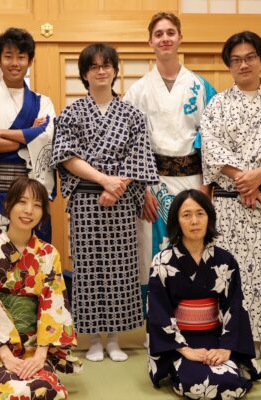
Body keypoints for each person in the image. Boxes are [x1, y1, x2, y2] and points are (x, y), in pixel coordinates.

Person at [51, 43, 158, 362]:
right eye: (94, 66)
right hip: (86, 198)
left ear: (114, 69)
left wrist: (117, 185)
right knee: (88, 267)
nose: (101, 70)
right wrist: (103, 180)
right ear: (84, 74)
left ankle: (114, 338)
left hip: (122, 200)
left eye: (107, 64)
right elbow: (66, 157)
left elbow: (139, 157)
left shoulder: (133, 115)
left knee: (121, 266)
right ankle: (94, 338)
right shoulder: (70, 113)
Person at [201, 31, 261, 361]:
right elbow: (212, 149)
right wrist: (243, 180)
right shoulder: (218, 105)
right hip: (231, 201)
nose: (244, 64)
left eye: (250, 57)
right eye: (237, 59)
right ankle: (244, 338)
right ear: (229, 65)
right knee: (235, 269)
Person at [124, 12, 216, 311]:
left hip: (192, 180)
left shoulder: (201, 87)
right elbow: (129, 146)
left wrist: (207, 185)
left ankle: (196, 316)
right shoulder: (137, 91)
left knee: (194, 242)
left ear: (180, 38)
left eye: (170, 32)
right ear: (150, 41)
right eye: (159, 33)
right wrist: (142, 189)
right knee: (154, 249)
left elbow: (211, 141)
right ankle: (158, 321)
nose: (165, 38)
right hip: (153, 182)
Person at [0, 177, 81, 400]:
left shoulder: (48, 254)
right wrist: (6, 356)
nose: (29, 210)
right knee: (11, 392)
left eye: (37, 205)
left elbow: (54, 303)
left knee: (49, 391)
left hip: (36, 346)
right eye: (22, 202)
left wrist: (41, 355)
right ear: (8, 205)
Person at [147, 189, 261, 399]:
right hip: (180, 341)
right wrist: (184, 349)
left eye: (200, 213)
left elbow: (235, 306)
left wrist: (226, 348)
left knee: (230, 384)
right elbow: (158, 311)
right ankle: (177, 368)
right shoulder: (162, 261)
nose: (194, 221)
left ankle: (229, 365)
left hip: (217, 338)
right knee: (196, 384)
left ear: (209, 217)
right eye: (186, 215)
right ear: (176, 221)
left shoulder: (225, 260)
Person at [0, 27, 56, 245]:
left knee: (33, 262)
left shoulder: (42, 102)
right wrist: (29, 135)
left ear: (30, 61)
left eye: (21, 57)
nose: (15, 63)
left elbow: (47, 137)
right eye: (8, 56)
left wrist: (0, 133)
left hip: (31, 192)